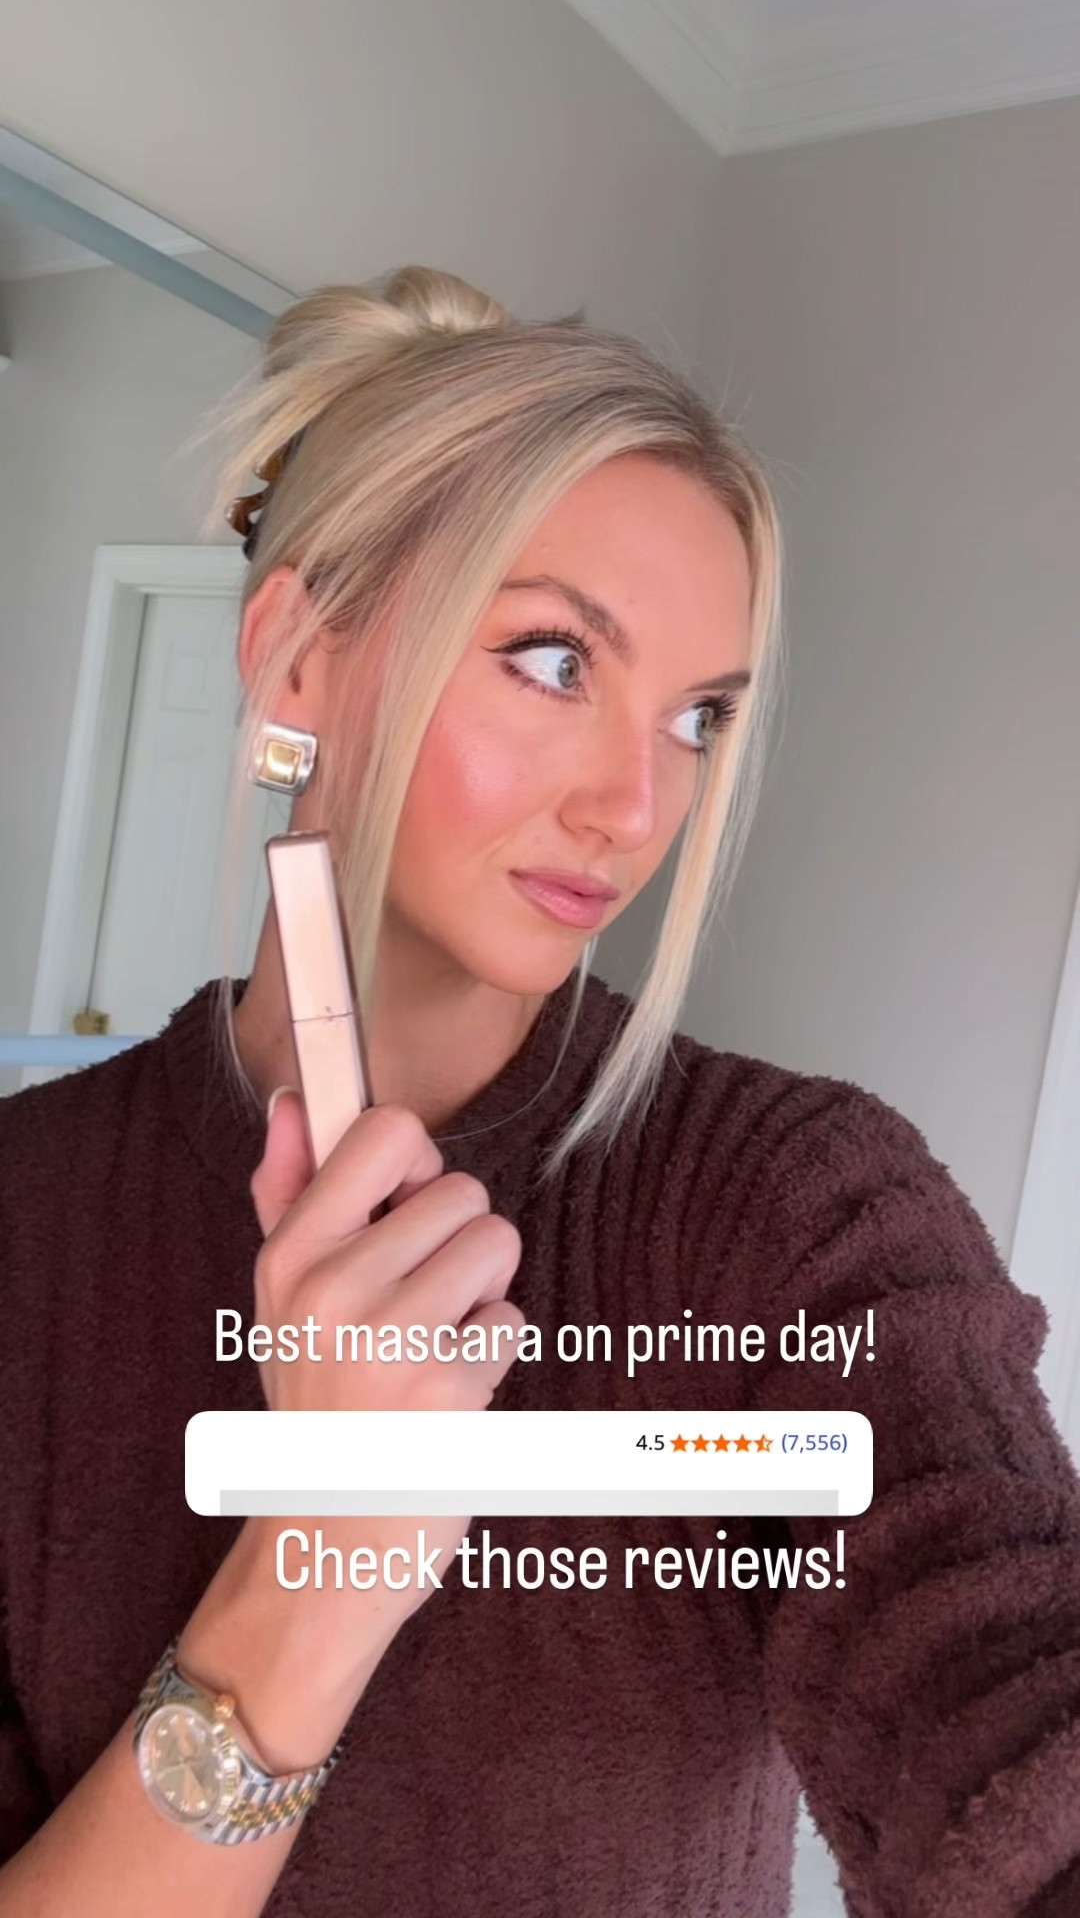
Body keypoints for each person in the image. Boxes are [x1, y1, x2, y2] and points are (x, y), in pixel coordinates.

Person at [1, 264, 1078, 1918]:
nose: (636, 806)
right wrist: (327, 1560)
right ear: (297, 661)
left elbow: (996, 1681)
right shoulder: (25, 1219)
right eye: (557, 661)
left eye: (698, 716)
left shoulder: (797, 1204)